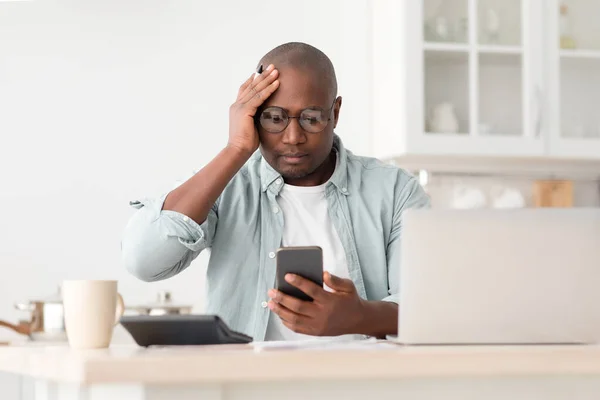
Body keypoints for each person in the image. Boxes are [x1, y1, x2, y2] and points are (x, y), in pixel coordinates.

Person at [121, 42, 430, 342]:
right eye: (274, 118)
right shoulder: (230, 184)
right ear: (253, 116)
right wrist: (236, 149)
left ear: (335, 113)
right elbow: (143, 261)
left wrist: (360, 316)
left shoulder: (394, 191)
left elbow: (434, 309)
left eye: (311, 118)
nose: (293, 137)